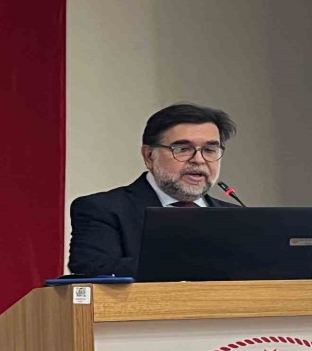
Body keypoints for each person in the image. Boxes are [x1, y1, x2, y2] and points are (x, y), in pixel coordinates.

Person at [68, 103, 238, 276]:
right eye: (183, 149)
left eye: (210, 150)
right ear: (149, 155)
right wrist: (199, 261)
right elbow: (93, 268)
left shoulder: (237, 218)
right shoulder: (103, 210)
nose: (199, 160)